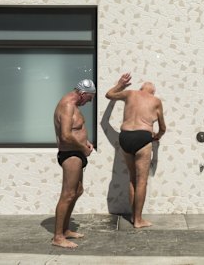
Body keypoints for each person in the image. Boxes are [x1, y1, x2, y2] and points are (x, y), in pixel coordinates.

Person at [105, 73, 166, 228]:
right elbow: (163, 127)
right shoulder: (156, 101)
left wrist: (120, 84)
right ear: (153, 92)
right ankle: (138, 220)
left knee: (132, 179)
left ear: (140, 89)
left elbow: (109, 95)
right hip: (143, 137)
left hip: (125, 137)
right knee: (142, 181)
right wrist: (156, 136)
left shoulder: (130, 93)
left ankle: (133, 217)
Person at [52, 79, 96, 248]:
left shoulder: (73, 105)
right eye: (90, 98)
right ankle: (58, 237)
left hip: (77, 151)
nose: (89, 102)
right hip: (71, 154)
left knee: (77, 190)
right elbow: (65, 136)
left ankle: (65, 230)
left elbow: (75, 131)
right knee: (68, 194)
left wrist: (86, 142)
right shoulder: (68, 105)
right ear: (83, 94)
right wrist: (82, 147)